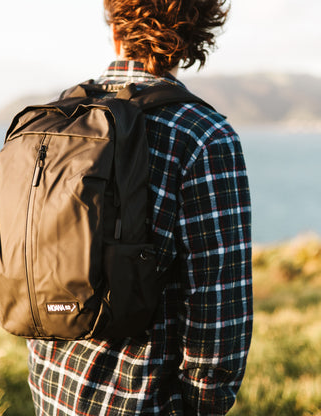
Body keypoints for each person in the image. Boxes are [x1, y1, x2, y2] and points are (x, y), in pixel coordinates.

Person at [27, 0, 253, 414]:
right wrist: (203, 405)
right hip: (140, 399)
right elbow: (218, 310)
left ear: (115, 25)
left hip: (52, 386)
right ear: (194, 35)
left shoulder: (64, 115)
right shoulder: (204, 136)